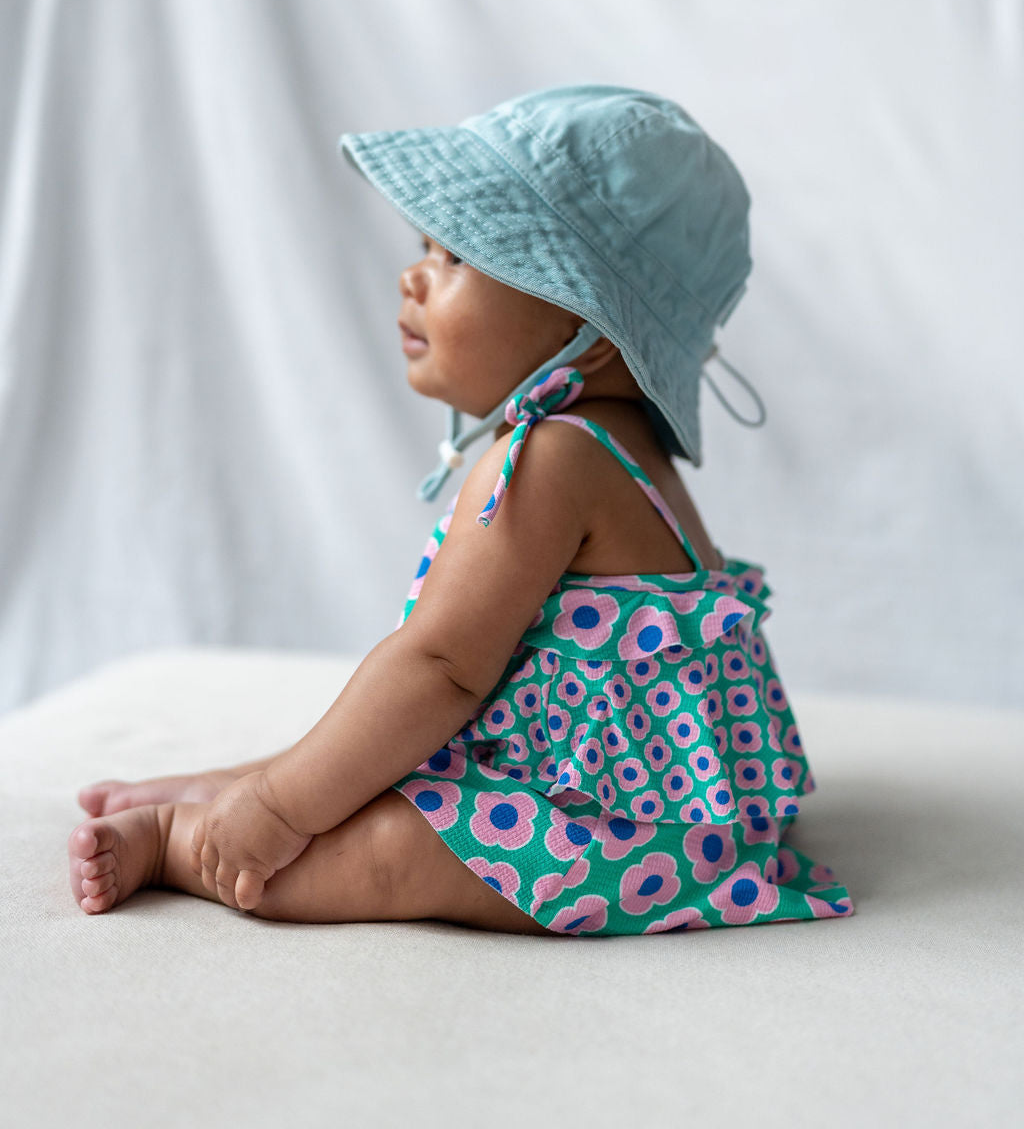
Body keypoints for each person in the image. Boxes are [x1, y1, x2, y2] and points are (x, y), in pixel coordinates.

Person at [68, 83, 855, 936]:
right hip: (669, 803)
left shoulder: (551, 455)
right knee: (367, 754)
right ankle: (225, 784)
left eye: (455, 257)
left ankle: (180, 839)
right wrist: (283, 781)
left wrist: (281, 814)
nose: (412, 276)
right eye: (425, 246)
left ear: (585, 323)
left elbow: (439, 669)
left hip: (629, 839)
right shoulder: (625, 448)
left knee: (383, 855)